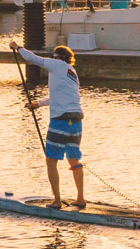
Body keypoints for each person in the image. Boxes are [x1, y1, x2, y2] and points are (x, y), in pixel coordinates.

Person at [10, 40, 85, 209]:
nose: (51, 58)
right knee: (73, 160)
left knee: (51, 161)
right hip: (76, 120)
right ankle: (80, 199)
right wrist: (38, 104)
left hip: (60, 120)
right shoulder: (72, 73)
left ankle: (57, 201)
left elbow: (33, 59)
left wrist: (17, 47)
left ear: (57, 57)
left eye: (53, 56)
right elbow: (58, 98)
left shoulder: (56, 64)